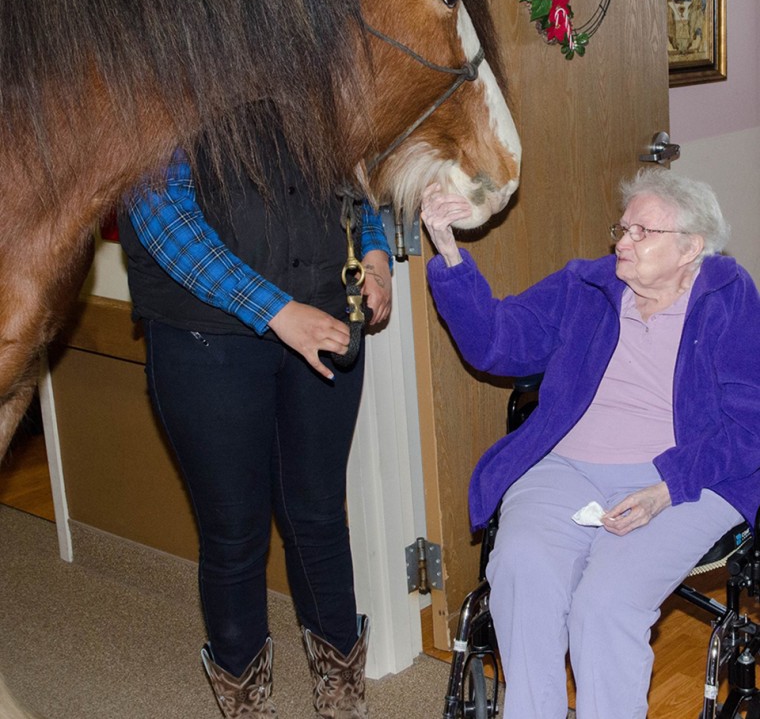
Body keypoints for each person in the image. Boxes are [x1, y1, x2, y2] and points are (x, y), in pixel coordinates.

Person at [420, 168, 760, 719]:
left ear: (690, 248)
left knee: (605, 604)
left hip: (685, 477)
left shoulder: (729, 297)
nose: (621, 242)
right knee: (521, 570)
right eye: (621, 228)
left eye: (641, 233)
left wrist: (666, 488)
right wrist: (448, 251)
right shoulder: (588, 285)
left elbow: (751, 425)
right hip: (568, 468)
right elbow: (496, 342)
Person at [118, 107, 392, 719]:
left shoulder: (305, 71)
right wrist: (274, 310)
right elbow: (163, 219)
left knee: (318, 512)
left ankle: (342, 687)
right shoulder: (163, 74)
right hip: (206, 337)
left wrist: (374, 258)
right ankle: (246, 699)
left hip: (323, 316)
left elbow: (350, 180)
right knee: (234, 530)